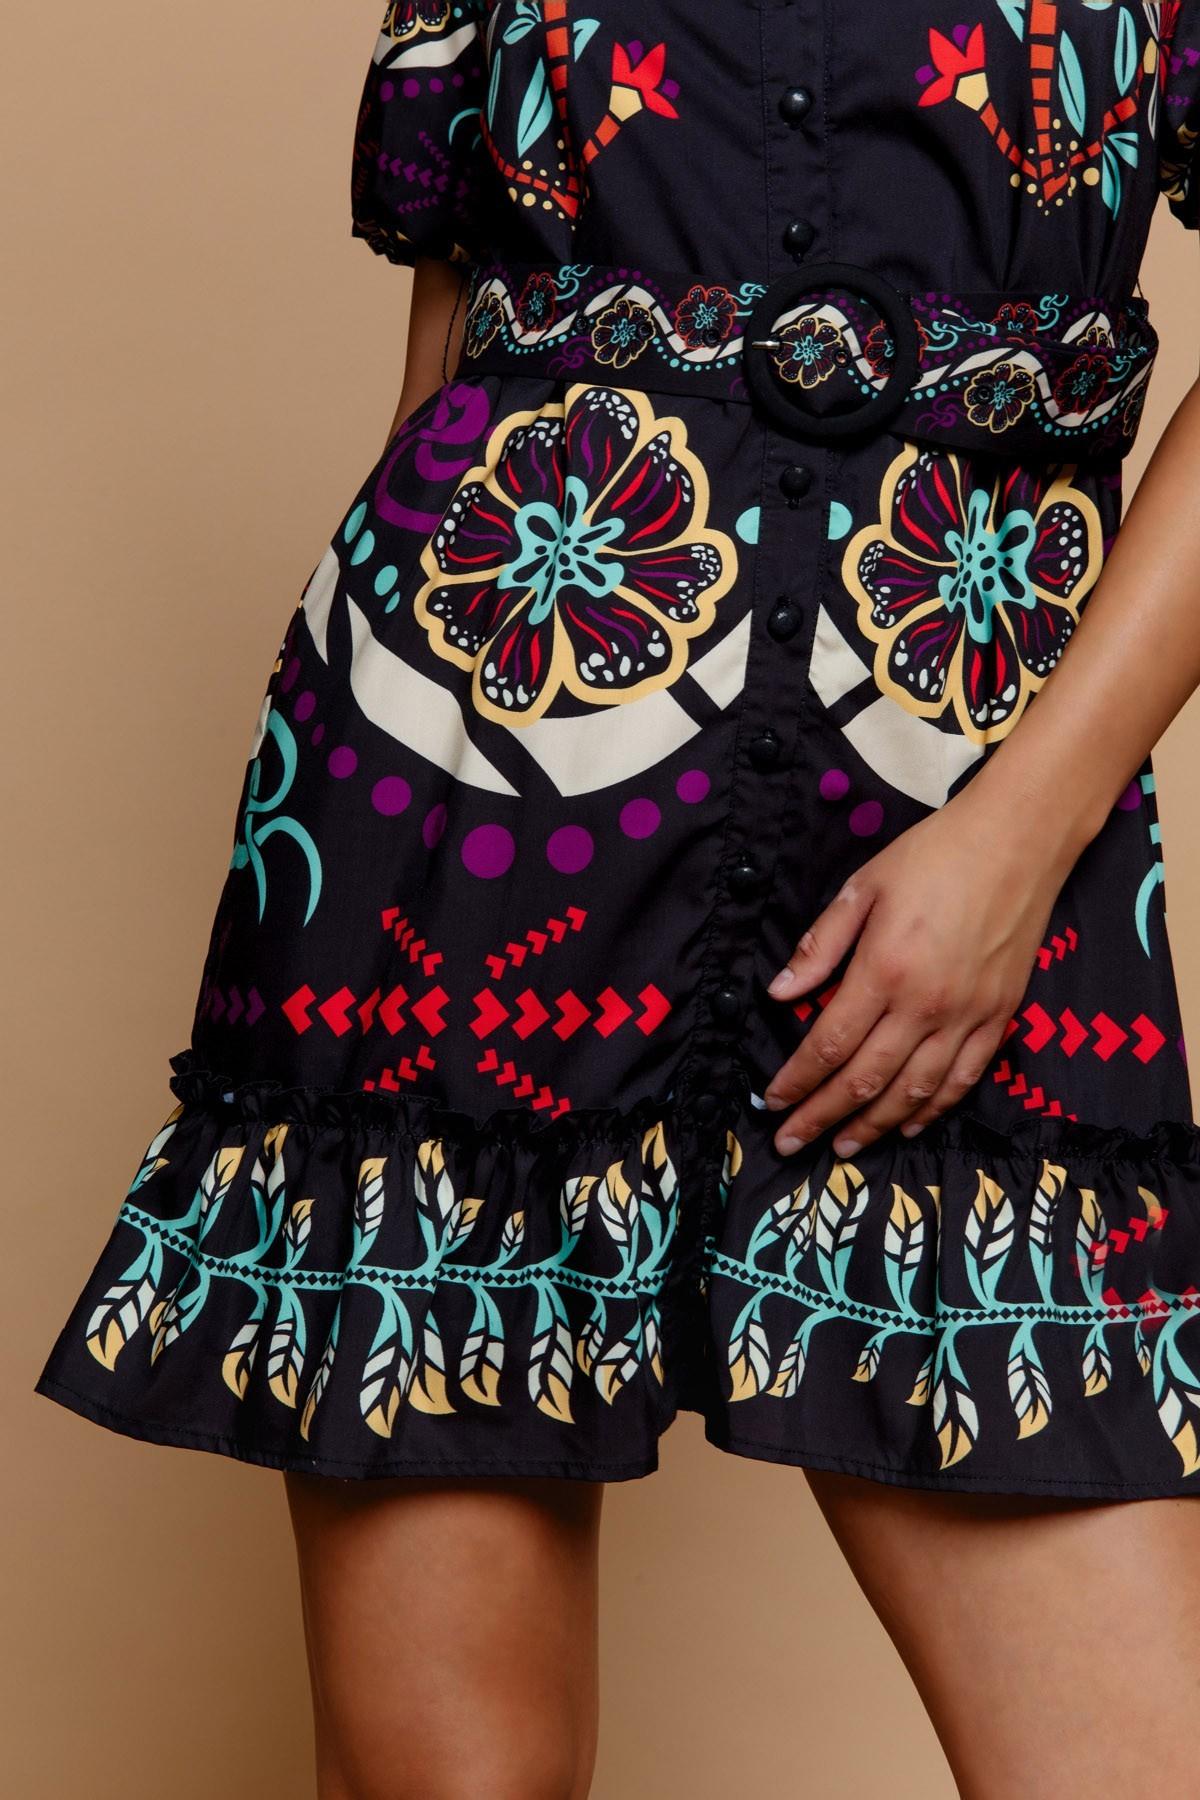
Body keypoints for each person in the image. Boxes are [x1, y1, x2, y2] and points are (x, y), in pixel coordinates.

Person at [33, 1, 1200, 1792]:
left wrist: (1020, 842)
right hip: (485, 773)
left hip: (970, 783)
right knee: (452, 1779)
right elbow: (455, 328)